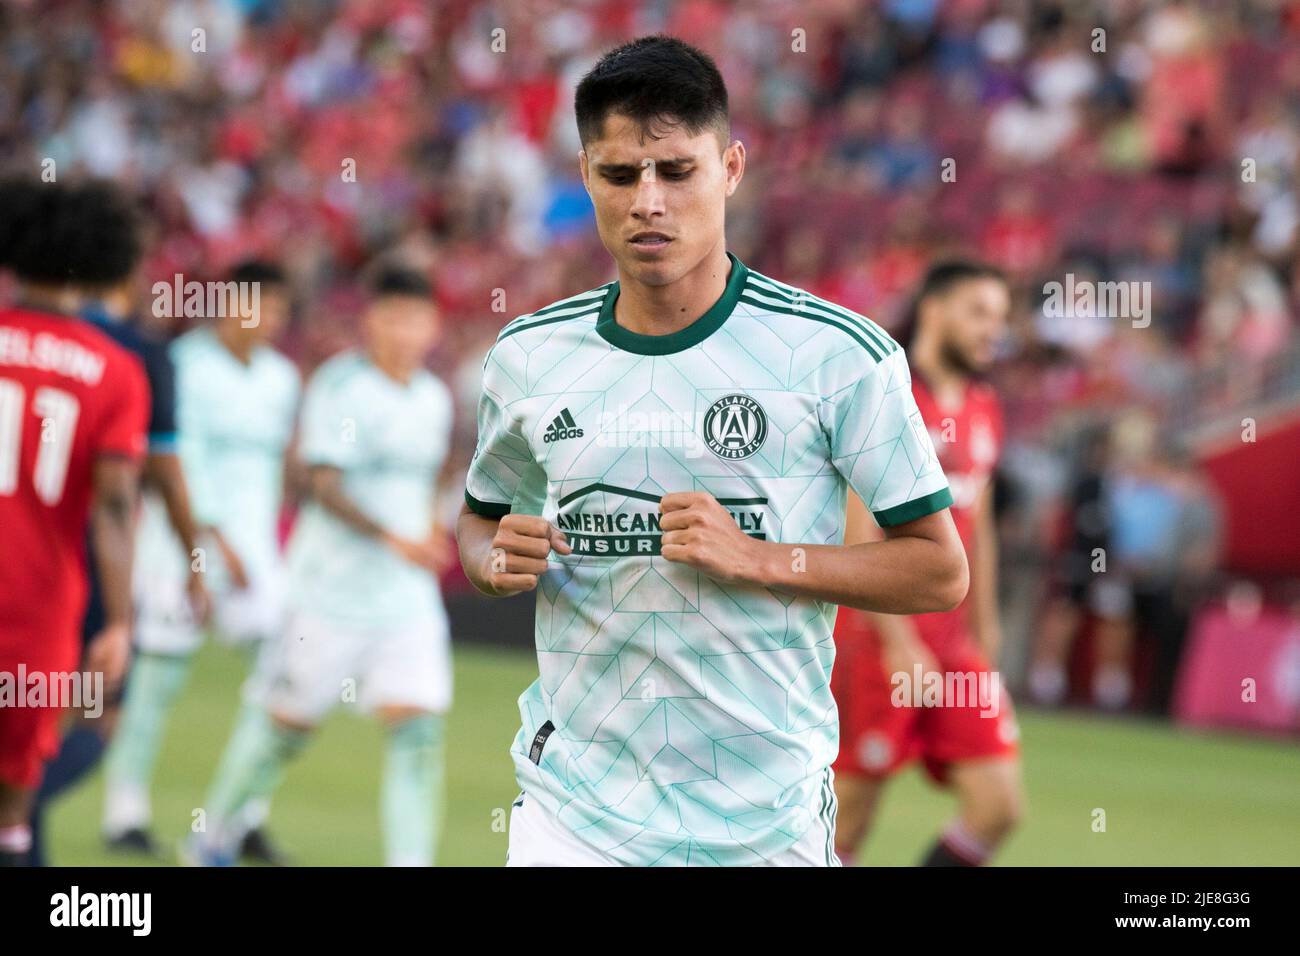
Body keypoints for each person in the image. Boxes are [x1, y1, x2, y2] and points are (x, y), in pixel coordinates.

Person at [457, 35, 968, 867]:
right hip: (576, 815)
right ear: (586, 174)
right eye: (620, 175)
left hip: (767, 821)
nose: (647, 202)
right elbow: (479, 526)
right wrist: (492, 561)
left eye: (676, 171)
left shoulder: (837, 356)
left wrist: (765, 560)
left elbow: (938, 571)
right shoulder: (528, 358)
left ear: (729, 168)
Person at [187, 266, 456, 867]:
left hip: (405, 601)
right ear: (373, 321)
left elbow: (429, 478)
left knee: (418, 735)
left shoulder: (434, 398)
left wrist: (433, 526)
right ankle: (212, 837)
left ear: (434, 326)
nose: (405, 331)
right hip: (326, 595)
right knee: (284, 732)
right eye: (394, 317)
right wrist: (394, 537)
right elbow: (323, 483)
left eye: (417, 319)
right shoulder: (343, 387)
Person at [26, 205, 212, 867]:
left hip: (19, 555)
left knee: (23, 723)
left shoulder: (28, 332)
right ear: (129, 272)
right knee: (97, 720)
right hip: (82, 569)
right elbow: (155, 475)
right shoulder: (135, 357)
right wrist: (195, 556)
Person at [100, 260, 299, 863]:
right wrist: (214, 538)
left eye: (279, 310)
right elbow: (173, 459)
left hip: (256, 552)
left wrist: (258, 539)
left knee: (284, 673)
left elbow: (270, 467)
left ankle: (242, 813)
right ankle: (124, 810)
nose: (267, 320)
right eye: (258, 305)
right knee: (159, 679)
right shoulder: (183, 365)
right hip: (179, 542)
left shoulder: (282, 378)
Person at [831, 261, 1024, 866]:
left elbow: (981, 529)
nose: (992, 330)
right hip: (878, 637)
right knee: (848, 817)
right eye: (978, 313)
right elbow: (858, 524)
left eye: (1000, 316)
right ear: (935, 311)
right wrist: (896, 638)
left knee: (998, 806)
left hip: (953, 642)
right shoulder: (890, 396)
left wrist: (987, 631)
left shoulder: (985, 405)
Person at [0, 178, 150, 865]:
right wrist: (119, 620)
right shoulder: (115, 371)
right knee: (14, 802)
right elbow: (116, 506)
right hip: (37, 609)